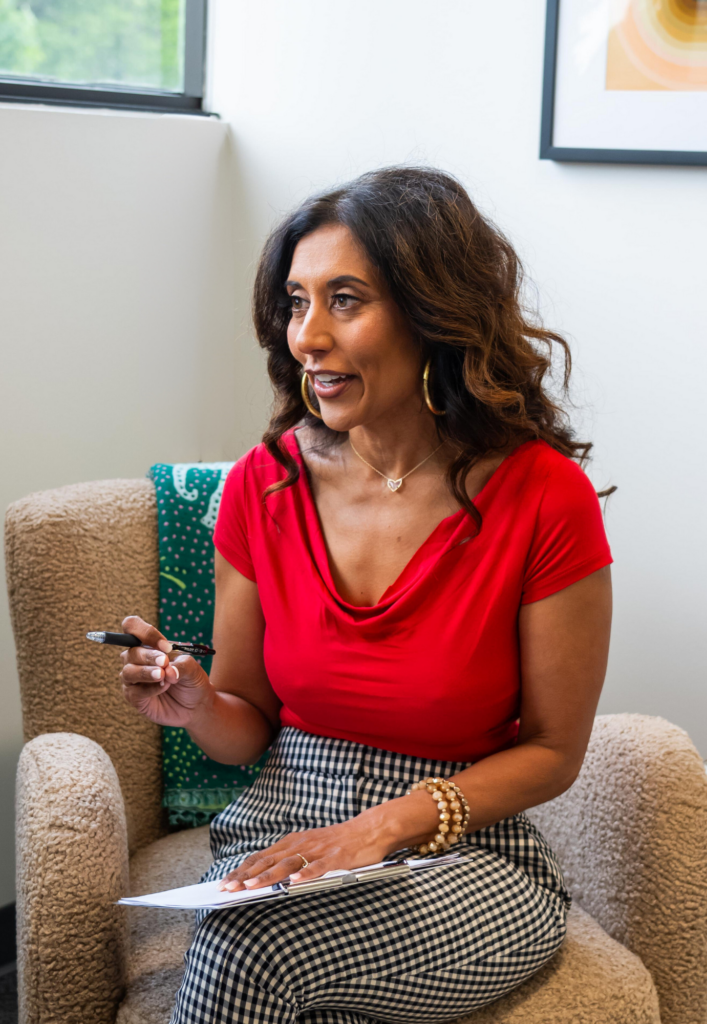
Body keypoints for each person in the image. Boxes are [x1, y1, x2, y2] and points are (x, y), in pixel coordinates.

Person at [119, 166, 613, 1024]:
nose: (307, 336)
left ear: (432, 314)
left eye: (344, 300)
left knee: (253, 949)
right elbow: (248, 728)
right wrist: (197, 702)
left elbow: (553, 753)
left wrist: (384, 826)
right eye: (296, 302)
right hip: (283, 829)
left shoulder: (542, 496)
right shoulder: (262, 487)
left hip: (468, 852)